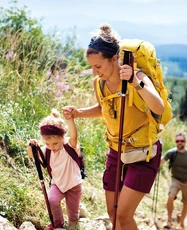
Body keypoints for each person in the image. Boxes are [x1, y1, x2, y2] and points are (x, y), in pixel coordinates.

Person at [63, 23, 164, 230]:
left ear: (115, 59)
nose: (94, 71)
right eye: (92, 67)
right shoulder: (99, 83)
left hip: (143, 153)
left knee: (124, 216)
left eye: (98, 66)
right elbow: (104, 108)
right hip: (116, 151)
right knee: (113, 213)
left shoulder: (138, 78)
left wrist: (135, 82)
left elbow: (158, 107)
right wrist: (78, 113)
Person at [28, 108, 83, 230]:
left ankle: (74, 223)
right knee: (52, 200)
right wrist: (30, 146)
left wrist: (70, 120)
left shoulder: (69, 146)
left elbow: (74, 135)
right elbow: (32, 155)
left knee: (73, 215)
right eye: (47, 144)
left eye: (55, 143)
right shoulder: (47, 150)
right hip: (57, 183)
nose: (52, 147)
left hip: (74, 185)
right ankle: (58, 224)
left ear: (63, 137)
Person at [160, 132, 187, 229]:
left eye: (182, 141)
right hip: (175, 179)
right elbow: (161, 161)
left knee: (185, 203)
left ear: (185, 142)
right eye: (178, 141)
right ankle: (169, 220)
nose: (180, 143)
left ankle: (181, 223)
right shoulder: (171, 153)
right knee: (170, 196)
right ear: (175, 142)